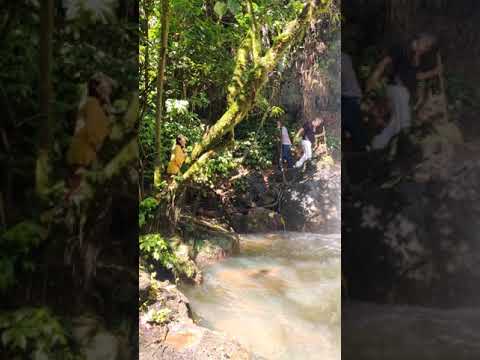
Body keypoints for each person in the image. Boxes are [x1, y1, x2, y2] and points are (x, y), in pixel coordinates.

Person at [367, 33, 440, 149]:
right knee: (404, 122)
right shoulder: (403, 48)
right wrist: (374, 76)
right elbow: (386, 61)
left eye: (428, 48)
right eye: (426, 45)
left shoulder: (417, 56)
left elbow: (417, 76)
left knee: (395, 123)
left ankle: (376, 145)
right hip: (397, 88)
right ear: (420, 40)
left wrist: (434, 72)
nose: (426, 49)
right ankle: (405, 150)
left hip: (403, 91)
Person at [66, 72, 115, 199]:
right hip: (84, 155)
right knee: (78, 193)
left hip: (83, 153)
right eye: (107, 88)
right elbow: (94, 132)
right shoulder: (92, 104)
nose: (109, 91)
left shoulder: (93, 104)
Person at [341, 52, 370, 151]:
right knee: (354, 124)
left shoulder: (339, 58)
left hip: (349, 96)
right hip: (353, 95)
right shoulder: (346, 57)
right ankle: (363, 148)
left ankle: (363, 149)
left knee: (353, 124)